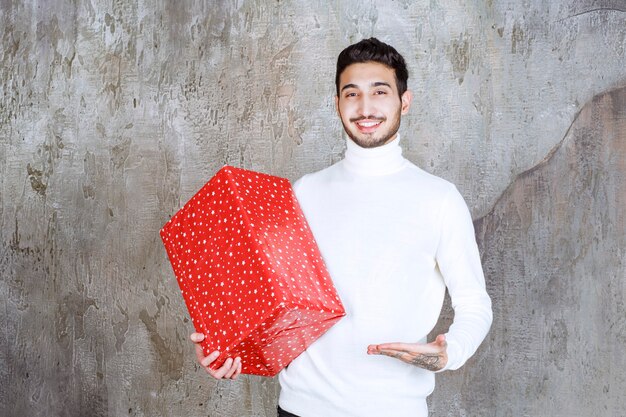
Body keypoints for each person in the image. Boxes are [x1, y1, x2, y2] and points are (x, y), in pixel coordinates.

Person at [190, 38, 492, 417]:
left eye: (380, 92)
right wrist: (228, 348)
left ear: (405, 101)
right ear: (337, 105)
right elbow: (270, 301)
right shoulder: (303, 192)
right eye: (352, 94)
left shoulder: (440, 199)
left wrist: (450, 352)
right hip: (299, 408)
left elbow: (475, 305)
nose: (365, 107)